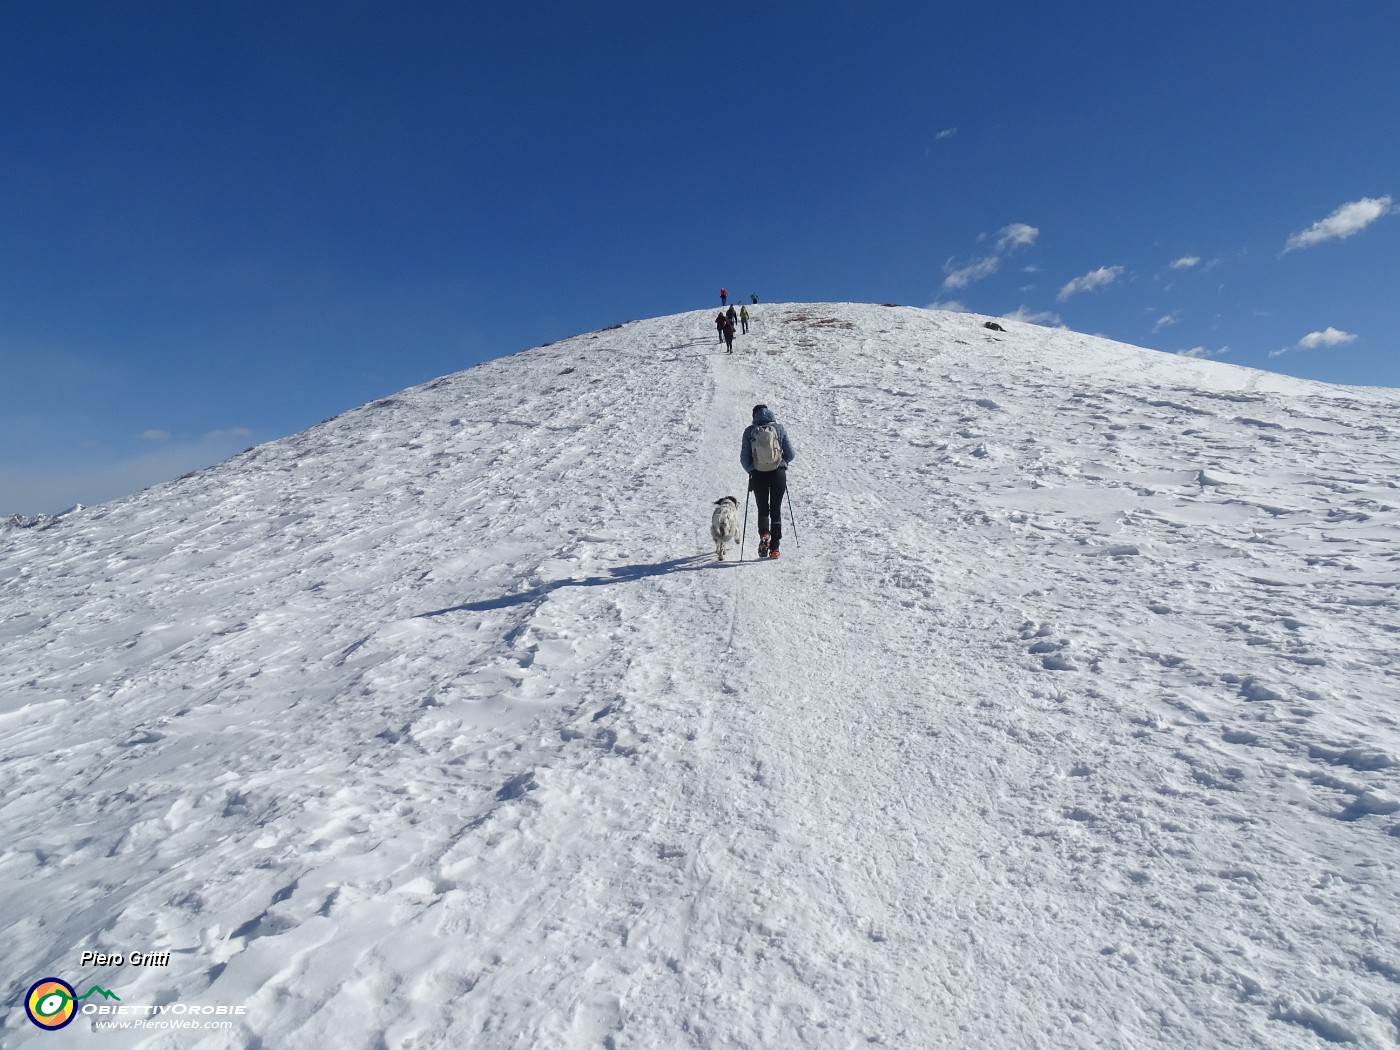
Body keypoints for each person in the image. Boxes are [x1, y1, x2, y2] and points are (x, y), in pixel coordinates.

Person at [740, 403, 795, 558]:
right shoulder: (779, 429)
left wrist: (752, 469)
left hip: (758, 475)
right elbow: (791, 454)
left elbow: (744, 459)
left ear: (754, 416)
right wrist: (782, 463)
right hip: (778, 474)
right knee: (775, 511)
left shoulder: (749, 431)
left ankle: (764, 535)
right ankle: (775, 549)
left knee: (763, 509)